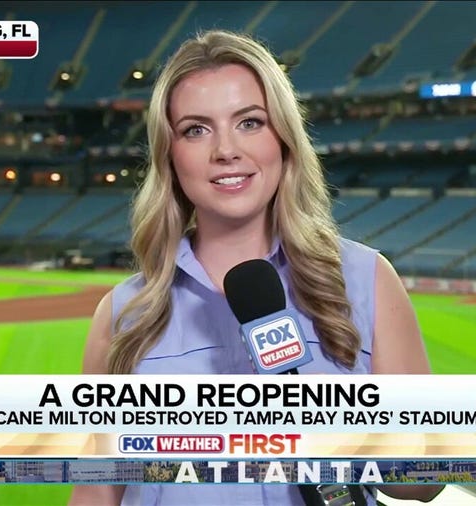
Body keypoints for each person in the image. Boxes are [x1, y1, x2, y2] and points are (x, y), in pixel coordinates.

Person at [70, 29, 443, 505]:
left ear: (283, 139)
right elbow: (97, 490)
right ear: (170, 154)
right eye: (195, 129)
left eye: (249, 122)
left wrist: (323, 423)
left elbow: (425, 479)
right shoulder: (123, 313)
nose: (226, 150)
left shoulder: (366, 279)